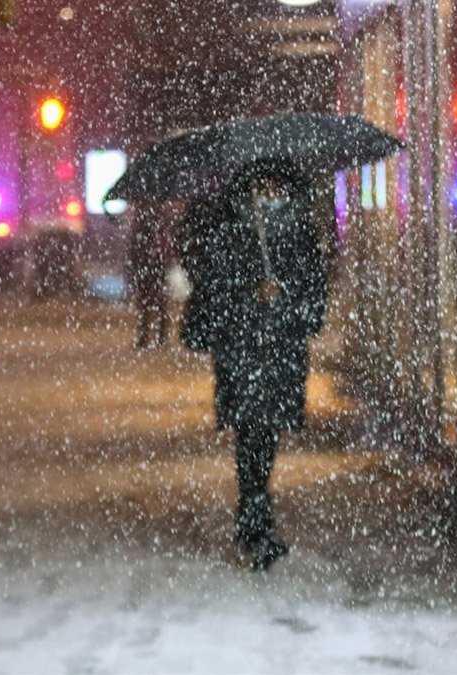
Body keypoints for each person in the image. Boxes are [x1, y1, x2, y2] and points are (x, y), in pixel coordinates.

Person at [179, 160, 329, 570]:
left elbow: (314, 297)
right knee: (252, 435)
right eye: (262, 184)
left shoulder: (299, 232)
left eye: (277, 183)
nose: (270, 191)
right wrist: (251, 296)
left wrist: (284, 299)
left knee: (265, 437)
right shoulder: (231, 231)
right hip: (244, 351)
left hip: (279, 352)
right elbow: (214, 287)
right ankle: (256, 524)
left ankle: (254, 517)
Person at [127, 200, 170, 348]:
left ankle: (148, 334)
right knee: (155, 298)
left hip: (148, 260)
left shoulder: (145, 215)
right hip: (152, 260)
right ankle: (157, 335)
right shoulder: (157, 212)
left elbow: (136, 242)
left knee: (148, 298)